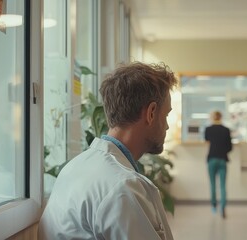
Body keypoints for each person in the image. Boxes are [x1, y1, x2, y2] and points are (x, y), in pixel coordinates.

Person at [38, 62, 177, 239]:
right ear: (151, 113)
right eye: (166, 115)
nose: (166, 126)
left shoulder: (74, 168)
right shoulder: (122, 186)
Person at [204, 111, 232, 219]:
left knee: (212, 184)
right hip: (222, 160)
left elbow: (207, 141)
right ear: (221, 117)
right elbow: (230, 147)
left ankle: (214, 206)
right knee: (223, 185)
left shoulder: (208, 129)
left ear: (212, 117)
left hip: (212, 159)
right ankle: (223, 208)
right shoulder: (226, 130)